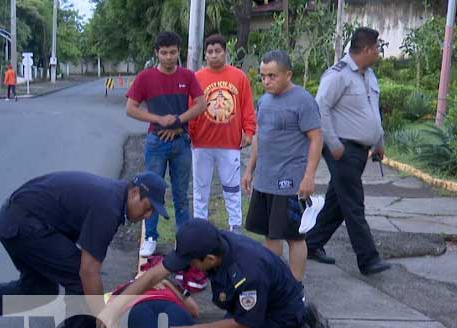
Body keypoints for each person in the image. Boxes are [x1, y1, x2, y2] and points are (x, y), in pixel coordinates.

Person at [0, 171, 169, 328]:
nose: (149, 215)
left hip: (19, 219)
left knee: (39, 290)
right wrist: (103, 315)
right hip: (24, 224)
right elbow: (88, 271)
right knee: (81, 279)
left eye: (153, 212)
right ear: (134, 192)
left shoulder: (114, 198)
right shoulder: (109, 208)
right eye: (148, 207)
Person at [101, 218, 332, 328]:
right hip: (274, 296)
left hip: (277, 313)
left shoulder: (246, 272)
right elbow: (155, 274)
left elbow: (245, 323)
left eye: (191, 263)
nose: (186, 267)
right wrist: (116, 306)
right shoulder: (208, 242)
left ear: (210, 259)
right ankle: (306, 319)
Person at [305, 27, 391, 276]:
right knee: (354, 203)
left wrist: (379, 141)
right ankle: (368, 259)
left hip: (361, 150)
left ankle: (312, 243)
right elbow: (320, 108)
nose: (378, 52)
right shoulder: (337, 76)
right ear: (364, 49)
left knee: (338, 202)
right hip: (342, 149)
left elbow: (374, 112)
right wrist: (334, 145)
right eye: (376, 47)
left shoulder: (369, 75)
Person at [241, 51, 323, 282]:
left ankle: (296, 287)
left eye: (272, 76)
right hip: (265, 180)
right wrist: (249, 170)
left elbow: (316, 139)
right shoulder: (264, 101)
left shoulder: (304, 101)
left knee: (295, 237)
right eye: (263, 76)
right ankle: (274, 283)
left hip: (289, 182)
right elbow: (259, 136)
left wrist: (309, 177)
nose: (266, 81)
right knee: (270, 234)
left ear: (288, 74)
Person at [126, 31, 207, 257]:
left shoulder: (188, 76)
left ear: (178, 52)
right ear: (156, 53)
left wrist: (178, 122)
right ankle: (150, 237)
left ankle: (183, 240)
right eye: (164, 53)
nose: (169, 57)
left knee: (181, 194)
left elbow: (201, 104)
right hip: (156, 141)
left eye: (173, 52)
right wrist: (160, 120)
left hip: (181, 140)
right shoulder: (145, 77)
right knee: (150, 191)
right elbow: (130, 108)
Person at [189, 34, 256, 234]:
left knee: (232, 187)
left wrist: (249, 131)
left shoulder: (239, 77)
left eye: (218, 51)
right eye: (210, 52)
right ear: (205, 55)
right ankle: (200, 225)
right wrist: (190, 134)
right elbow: (190, 107)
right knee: (201, 188)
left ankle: (235, 225)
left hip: (229, 143)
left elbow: (246, 106)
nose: (214, 55)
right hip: (201, 142)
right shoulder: (197, 77)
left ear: (225, 52)